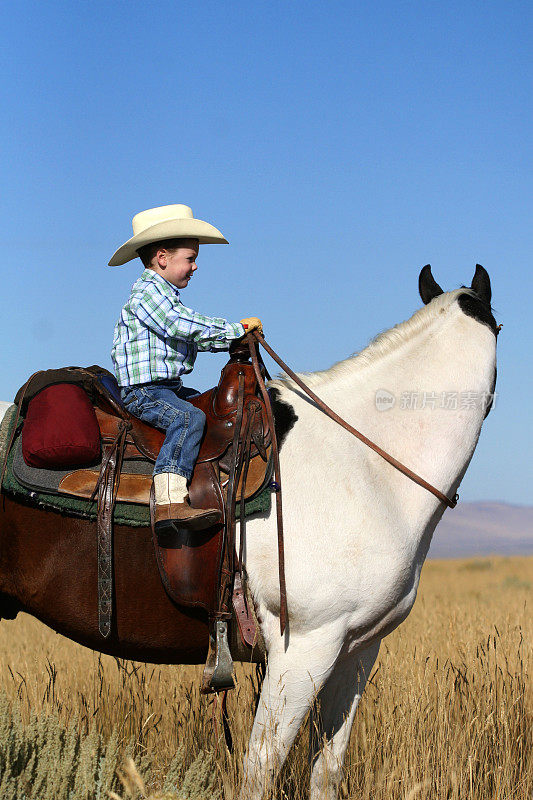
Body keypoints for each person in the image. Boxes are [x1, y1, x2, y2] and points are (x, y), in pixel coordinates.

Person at [109, 204, 262, 533]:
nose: (195, 266)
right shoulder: (147, 296)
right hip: (144, 392)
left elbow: (192, 336)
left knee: (204, 404)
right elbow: (181, 326)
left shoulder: (164, 296)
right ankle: (169, 501)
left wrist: (233, 341)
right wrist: (235, 329)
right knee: (188, 418)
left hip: (167, 388)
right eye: (190, 258)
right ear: (163, 257)